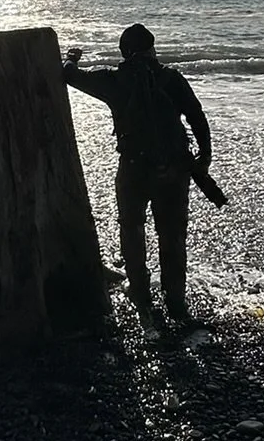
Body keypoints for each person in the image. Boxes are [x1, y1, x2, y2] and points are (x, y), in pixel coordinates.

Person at [62, 23, 216, 331]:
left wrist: (71, 57)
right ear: (152, 49)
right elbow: (196, 115)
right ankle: (176, 304)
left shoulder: (114, 80)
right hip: (173, 168)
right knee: (172, 236)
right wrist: (205, 155)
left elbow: (69, 76)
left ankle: (141, 297)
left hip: (133, 168)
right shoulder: (171, 78)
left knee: (131, 230)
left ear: (124, 52)